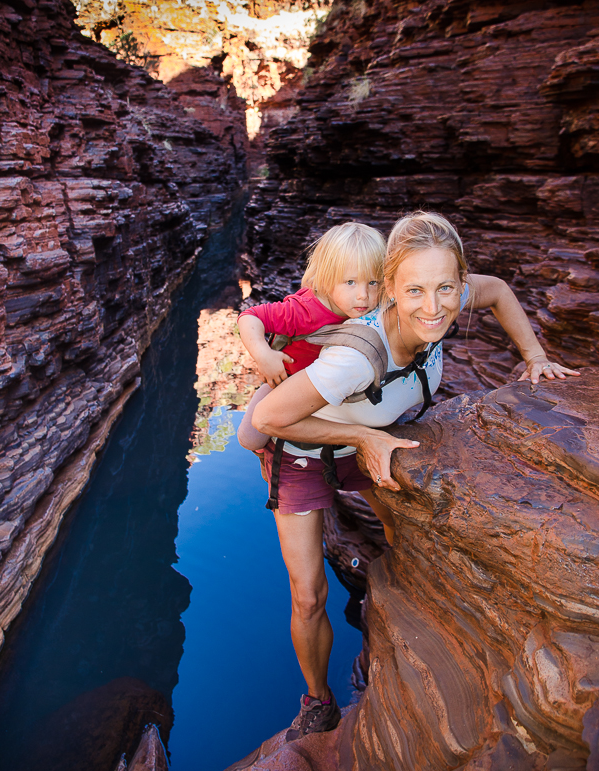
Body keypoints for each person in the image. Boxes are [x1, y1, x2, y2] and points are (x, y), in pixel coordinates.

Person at [250, 211, 580, 742]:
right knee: (307, 594)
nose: (434, 307)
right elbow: (268, 419)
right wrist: (362, 438)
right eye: (416, 291)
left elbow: (496, 291)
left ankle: (388, 605)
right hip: (304, 449)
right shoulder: (354, 359)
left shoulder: (445, 294)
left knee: (406, 542)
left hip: (369, 433)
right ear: (391, 289)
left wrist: (535, 356)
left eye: (446, 287)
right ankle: (318, 701)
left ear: (457, 281)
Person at [237, 222, 386, 453]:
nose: (363, 296)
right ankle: (268, 455)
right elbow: (250, 316)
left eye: (373, 282)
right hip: (287, 383)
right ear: (327, 279)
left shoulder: (374, 308)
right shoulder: (304, 311)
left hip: (326, 387)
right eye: (350, 282)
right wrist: (263, 355)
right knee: (249, 439)